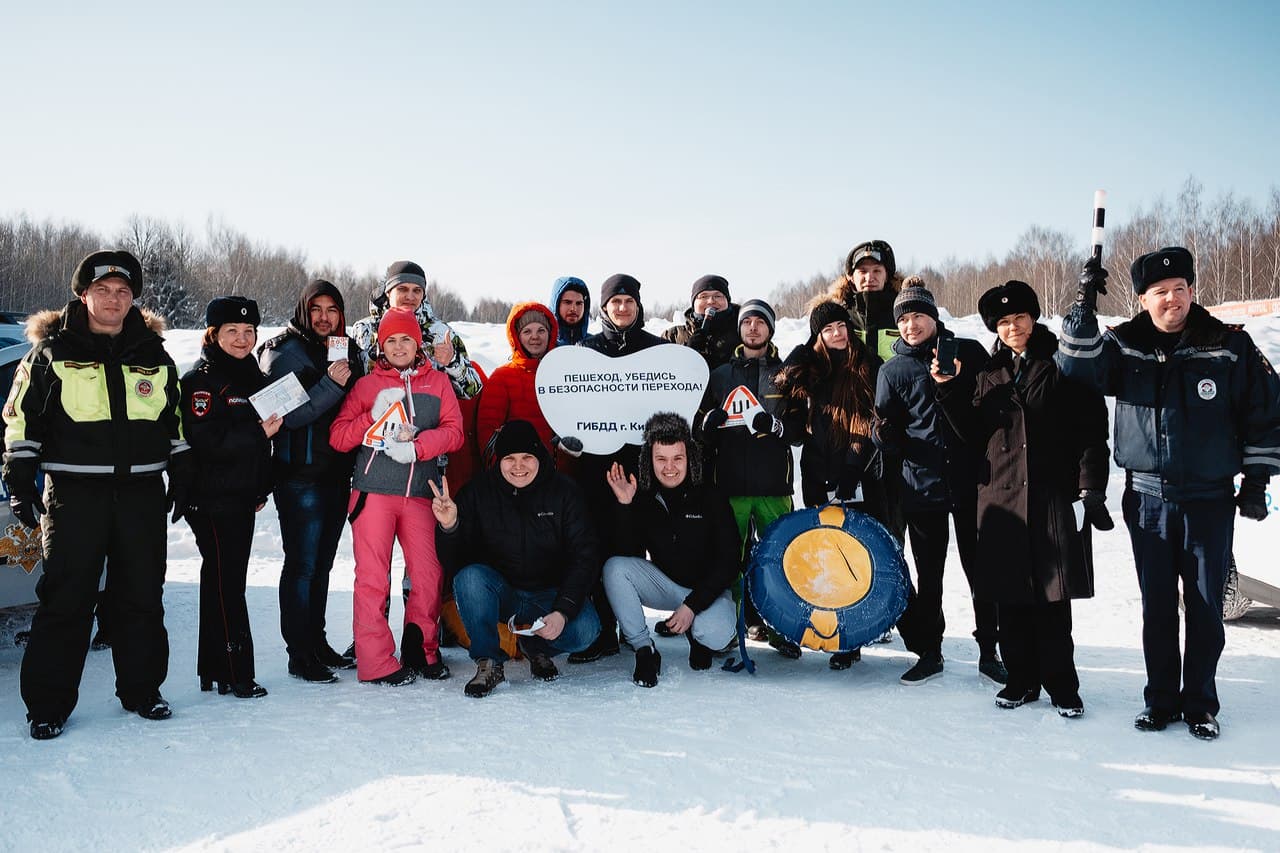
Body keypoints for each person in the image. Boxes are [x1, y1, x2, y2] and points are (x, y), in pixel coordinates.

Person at [1059, 248, 1280, 739]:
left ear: (1192, 291)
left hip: (1210, 499)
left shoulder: (1228, 345)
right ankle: (1160, 700)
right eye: (1160, 292)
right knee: (1157, 606)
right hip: (1148, 499)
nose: (1172, 299)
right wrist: (1082, 306)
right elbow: (1075, 369)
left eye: (1180, 288)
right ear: (1143, 299)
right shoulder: (1124, 344)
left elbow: (1264, 412)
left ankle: (1201, 703)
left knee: (1205, 606)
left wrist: (1257, 482)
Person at [3, 250, 192, 739]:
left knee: (142, 597)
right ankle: (47, 706)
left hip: (140, 495)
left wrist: (183, 471)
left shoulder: (154, 354)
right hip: (75, 497)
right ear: (83, 294)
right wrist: (20, 479)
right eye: (103, 291)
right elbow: (20, 418)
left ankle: (143, 690)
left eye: (123, 292)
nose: (113, 300)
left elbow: (173, 422)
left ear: (133, 299)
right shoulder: (51, 352)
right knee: (67, 599)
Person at [936, 280, 1111, 718]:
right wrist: (947, 390)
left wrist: (1090, 487)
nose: (1013, 327)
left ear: (1033, 319)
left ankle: (1062, 686)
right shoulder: (987, 374)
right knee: (1010, 599)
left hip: (1050, 496)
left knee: (1053, 599)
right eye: (1004, 321)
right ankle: (1020, 680)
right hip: (1001, 500)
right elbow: (972, 436)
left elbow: (1091, 429)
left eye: (1020, 318)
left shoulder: (1062, 364)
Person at [873, 280, 1005, 686]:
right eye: (905, 319)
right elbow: (885, 424)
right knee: (929, 576)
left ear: (934, 318)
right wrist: (884, 435)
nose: (912, 325)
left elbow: (993, 409)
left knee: (981, 571)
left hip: (972, 485)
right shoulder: (892, 370)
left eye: (919, 316)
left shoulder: (968, 352)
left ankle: (989, 651)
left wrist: (959, 385)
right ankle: (931, 651)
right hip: (922, 487)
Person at [329, 308, 464, 686]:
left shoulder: (436, 383)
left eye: (406, 339)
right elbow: (338, 438)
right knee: (373, 579)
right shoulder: (366, 385)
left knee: (428, 574)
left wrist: (419, 445)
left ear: (417, 343)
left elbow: (455, 433)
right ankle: (376, 662)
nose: (400, 346)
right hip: (373, 495)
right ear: (381, 346)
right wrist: (370, 417)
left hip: (421, 494)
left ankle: (422, 651)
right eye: (391, 340)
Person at [433, 420, 601, 697]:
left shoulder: (564, 492)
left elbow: (585, 556)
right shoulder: (478, 492)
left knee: (587, 629)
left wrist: (562, 611)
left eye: (526, 458)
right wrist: (450, 527)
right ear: (499, 460)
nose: (518, 466)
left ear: (539, 457)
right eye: (509, 458)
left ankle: (537, 648)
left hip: (549, 596)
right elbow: (455, 564)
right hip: (503, 594)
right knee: (470, 577)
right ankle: (489, 663)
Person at [259, 278, 364, 682]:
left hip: (336, 474)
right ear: (304, 310)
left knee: (321, 566)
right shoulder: (283, 351)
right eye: (316, 309)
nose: (324, 318)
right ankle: (299, 653)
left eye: (332, 310)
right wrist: (330, 384)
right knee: (302, 566)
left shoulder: (344, 349)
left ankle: (317, 643)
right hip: (299, 476)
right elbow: (283, 417)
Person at [775, 301, 889, 668]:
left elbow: (867, 422)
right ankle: (830, 624)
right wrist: (794, 364)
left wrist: (850, 472)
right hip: (815, 471)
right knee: (825, 554)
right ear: (817, 336)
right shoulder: (812, 369)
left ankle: (850, 640)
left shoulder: (867, 364)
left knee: (852, 555)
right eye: (827, 330)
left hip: (853, 471)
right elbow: (789, 421)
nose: (837, 333)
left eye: (841, 325)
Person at [180, 296, 278, 699]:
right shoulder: (200, 382)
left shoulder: (253, 377)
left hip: (240, 497)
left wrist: (261, 486)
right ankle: (238, 674)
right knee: (228, 584)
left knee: (220, 580)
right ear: (213, 334)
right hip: (212, 498)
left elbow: (263, 447)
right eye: (232, 332)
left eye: (248, 332)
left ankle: (215, 669)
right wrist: (259, 433)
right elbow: (207, 443)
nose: (241, 339)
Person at [570, 274, 668, 663]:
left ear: (638, 306)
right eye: (615, 302)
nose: (623, 308)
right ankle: (604, 631)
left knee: (631, 546)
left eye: (629, 301)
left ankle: (632, 628)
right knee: (595, 545)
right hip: (596, 466)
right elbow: (572, 406)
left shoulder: (658, 351)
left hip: (642, 466)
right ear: (605, 308)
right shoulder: (586, 351)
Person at [693, 299, 804, 641]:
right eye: (747, 322)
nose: (753, 328)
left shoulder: (786, 373)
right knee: (730, 558)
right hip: (730, 486)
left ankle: (784, 624)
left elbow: (799, 431)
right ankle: (734, 623)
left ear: (770, 328)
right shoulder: (720, 375)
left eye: (760, 322)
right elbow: (698, 428)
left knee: (779, 556)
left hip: (773, 485)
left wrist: (775, 425)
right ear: (739, 329)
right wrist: (707, 425)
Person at [603, 413, 739, 687]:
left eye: (677, 458)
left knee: (715, 634)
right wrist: (626, 507)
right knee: (615, 568)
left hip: (707, 592)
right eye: (661, 459)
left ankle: (697, 636)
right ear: (649, 460)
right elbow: (629, 553)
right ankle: (644, 650)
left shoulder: (710, 495)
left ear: (689, 458)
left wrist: (693, 605)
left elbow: (730, 560)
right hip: (667, 586)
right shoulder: (643, 495)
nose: (669, 468)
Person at [351, 260, 483, 399]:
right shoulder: (364, 330)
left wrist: (452, 362)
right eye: (402, 289)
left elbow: (472, 390)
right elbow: (350, 386)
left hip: (425, 416)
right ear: (388, 292)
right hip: (372, 415)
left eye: (417, 290)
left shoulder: (440, 333)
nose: (410, 297)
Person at [476, 302, 572, 470]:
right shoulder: (502, 377)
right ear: (516, 336)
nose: (535, 337)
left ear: (551, 334)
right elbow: (487, 432)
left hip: (560, 479)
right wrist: (506, 472)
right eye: (527, 331)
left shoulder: (563, 375)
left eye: (541, 330)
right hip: (518, 479)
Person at [828, 239, 904, 365]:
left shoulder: (904, 312)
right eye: (863, 271)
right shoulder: (838, 315)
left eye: (877, 271)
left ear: (887, 276)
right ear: (851, 277)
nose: (869, 278)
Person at [661, 274, 741, 371]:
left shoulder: (743, 332)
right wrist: (687, 353)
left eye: (718, 296)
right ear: (694, 303)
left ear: (727, 301)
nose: (711, 301)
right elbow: (661, 371)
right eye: (703, 296)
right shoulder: (672, 336)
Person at [550, 276, 591, 347]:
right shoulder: (543, 346)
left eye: (579, 303)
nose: (573, 308)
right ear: (556, 305)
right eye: (567, 302)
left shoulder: (595, 346)